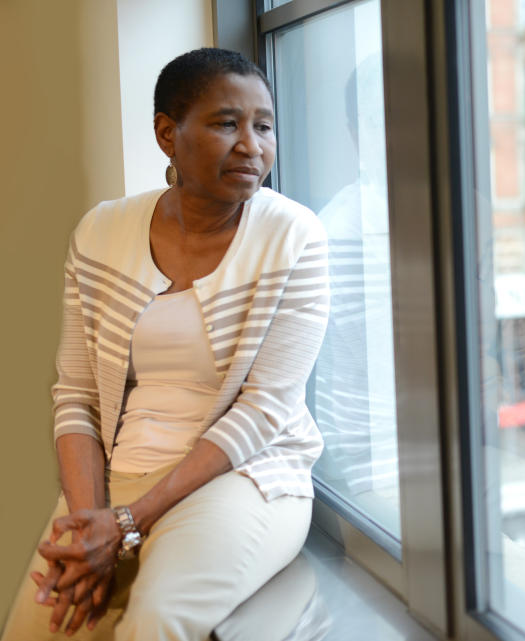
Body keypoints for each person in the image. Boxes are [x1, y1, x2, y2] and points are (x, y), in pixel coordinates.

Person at [0, 48, 329, 641]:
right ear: (166, 133)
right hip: (120, 470)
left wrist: (126, 525)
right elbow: (75, 394)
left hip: (245, 475)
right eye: (227, 123)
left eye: (265, 125)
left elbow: (266, 408)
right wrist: (87, 523)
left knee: (154, 621)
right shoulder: (102, 230)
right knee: (40, 626)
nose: (252, 145)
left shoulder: (293, 235)